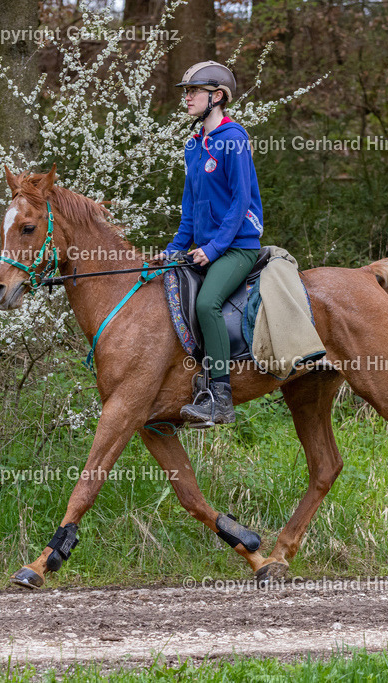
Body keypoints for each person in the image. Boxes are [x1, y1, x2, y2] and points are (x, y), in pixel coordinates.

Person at [159, 61, 264, 426]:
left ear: (216, 97)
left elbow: (240, 202)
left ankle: (220, 398)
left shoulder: (233, 138)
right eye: (186, 92)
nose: (186, 98)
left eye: (194, 92)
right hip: (204, 247)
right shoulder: (193, 144)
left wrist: (216, 248)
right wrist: (175, 248)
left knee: (207, 304)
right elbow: (191, 207)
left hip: (238, 246)